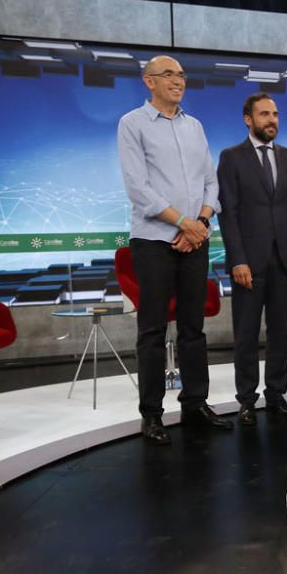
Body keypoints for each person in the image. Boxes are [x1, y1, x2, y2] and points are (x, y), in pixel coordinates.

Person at [117, 55, 232, 445]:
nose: (178, 81)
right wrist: (183, 223)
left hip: (194, 238)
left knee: (193, 327)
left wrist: (199, 222)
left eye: (181, 75)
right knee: (151, 328)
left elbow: (211, 184)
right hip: (153, 241)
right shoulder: (132, 124)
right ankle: (151, 414)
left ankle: (194, 403)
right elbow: (138, 187)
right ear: (148, 82)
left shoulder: (195, 126)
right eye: (169, 74)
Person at [217, 92, 287, 426]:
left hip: (285, 261)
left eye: (275, 114)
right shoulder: (231, 158)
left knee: (278, 333)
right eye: (264, 114)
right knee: (246, 334)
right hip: (249, 264)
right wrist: (238, 260)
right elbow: (228, 214)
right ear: (248, 119)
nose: (271, 120)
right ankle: (246, 400)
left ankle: (276, 395)